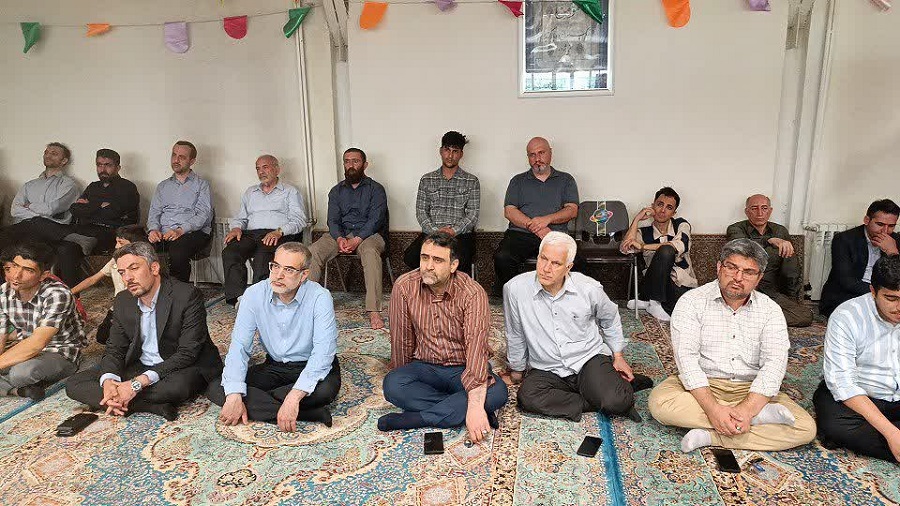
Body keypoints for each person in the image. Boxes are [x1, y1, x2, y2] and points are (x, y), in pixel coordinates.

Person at [648, 239, 816, 453]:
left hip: (750, 388)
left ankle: (712, 435)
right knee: (659, 404)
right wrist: (713, 409)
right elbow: (687, 361)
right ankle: (758, 420)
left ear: (759, 278)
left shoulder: (770, 310)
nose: (738, 277)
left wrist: (748, 409)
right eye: (732, 267)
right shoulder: (691, 302)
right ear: (719, 267)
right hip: (703, 386)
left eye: (748, 272)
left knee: (805, 428)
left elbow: (774, 365)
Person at [504, 232, 652, 422]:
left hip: (587, 359)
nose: (546, 268)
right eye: (543, 259)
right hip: (547, 367)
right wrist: (517, 371)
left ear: (569, 267)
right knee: (527, 397)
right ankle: (598, 394)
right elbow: (515, 333)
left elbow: (609, 318)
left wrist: (618, 356)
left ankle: (609, 389)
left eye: (556, 263)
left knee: (617, 402)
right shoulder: (515, 289)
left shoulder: (589, 288)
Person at [65, 242, 223, 421]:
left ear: (154, 268)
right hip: (141, 365)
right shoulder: (123, 300)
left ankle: (124, 399)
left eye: (134, 268)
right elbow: (115, 348)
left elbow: (188, 353)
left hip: (180, 365)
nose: (128, 278)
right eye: (122, 272)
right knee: (74, 384)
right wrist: (109, 381)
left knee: (176, 388)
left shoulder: (186, 295)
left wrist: (136, 384)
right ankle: (148, 405)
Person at [379, 231, 508, 443]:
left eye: (438, 260)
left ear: (453, 265)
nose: (428, 266)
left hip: (463, 368)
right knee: (393, 385)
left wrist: (475, 405)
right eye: (424, 258)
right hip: (425, 366)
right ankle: (462, 408)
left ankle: (419, 418)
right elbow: (402, 340)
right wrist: (403, 376)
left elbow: (476, 348)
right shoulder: (404, 286)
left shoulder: (472, 293)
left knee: (499, 392)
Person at [208, 242, 339, 431]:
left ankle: (274, 402)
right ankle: (308, 414)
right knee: (218, 388)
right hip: (275, 367)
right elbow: (239, 347)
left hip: (310, 365)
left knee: (324, 392)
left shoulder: (320, 297)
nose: (278, 275)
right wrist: (235, 395)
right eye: (275, 266)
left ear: (304, 275)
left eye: (288, 270)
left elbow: (323, 353)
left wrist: (294, 396)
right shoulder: (254, 294)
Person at [814, 255, 900, 462]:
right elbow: (843, 383)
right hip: (860, 400)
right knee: (835, 423)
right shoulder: (847, 316)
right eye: (891, 299)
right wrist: (890, 431)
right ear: (873, 291)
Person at [307, 148, 388, 329]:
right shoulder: (336, 191)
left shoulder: (376, 189)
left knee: (370, 252)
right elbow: (332, 220)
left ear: (365, 165)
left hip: (369, 235)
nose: (350, 165)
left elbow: (376, 220)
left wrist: (357, 239)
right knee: (313, 251)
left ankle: (374, 310)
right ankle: (306, 306)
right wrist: (339, 238)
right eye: (347, 161)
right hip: (341, 234)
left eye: (355, 161)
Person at [493, 137, 578, 295]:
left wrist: (547, 220)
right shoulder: (517, 181)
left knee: (578, 262)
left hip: (556, 235)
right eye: (532, 155)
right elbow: (509, 211)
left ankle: (560, 298)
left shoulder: (566, 180)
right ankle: (519, 297)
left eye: (541, 153)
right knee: (502, 258)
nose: (537, 159)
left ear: (550, 153)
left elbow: (572, 210)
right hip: (521, 234)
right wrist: (536, 228)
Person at [0, 243, 85, 401]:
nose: (16, 275)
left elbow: (38, 343)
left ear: (43, 275)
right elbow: (1, 334)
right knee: (13, 369)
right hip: (25, 349)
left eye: (28, 270)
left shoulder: (57, 294)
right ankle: (18, 391)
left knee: (20, 374)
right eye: (15, 266)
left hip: (59, 352)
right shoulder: (5, 291)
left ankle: (12, 386)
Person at [222, 155, 307, 305]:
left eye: (265, 167)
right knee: (231, 252)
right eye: (258, 168)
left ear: (277, 169)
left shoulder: (290, 191)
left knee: (263, 254)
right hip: (251, 234)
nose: (261, 172)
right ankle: (238, 299)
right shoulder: (250, 192)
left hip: (278, 234)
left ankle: (260, 299)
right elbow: (240, 217)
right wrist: (235, 227)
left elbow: (299, 220)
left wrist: (279, 231)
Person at [56, 148, 141, 287]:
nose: (103, 169)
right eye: (99, 165)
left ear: (118, 167)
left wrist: (89, 206)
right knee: (65, 248)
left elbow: (114, 213)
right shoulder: (93, 187)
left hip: (110, 232)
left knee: (71, 237)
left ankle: (82, 239)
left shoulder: (127, 187)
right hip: (86, 232)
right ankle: (71, 294)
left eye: (108, 165)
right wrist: (101, 205)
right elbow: (75, 209)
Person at [726, 194, 812, 327]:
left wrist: (791, 300)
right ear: (747, 212)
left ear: (770, 211)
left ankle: (753, 317)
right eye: (754, 208)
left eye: (764, 208)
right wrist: (770, 240)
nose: (760, 213)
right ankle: (757, 316)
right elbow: (744, 248)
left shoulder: (780, 231)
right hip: (743, 288)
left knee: (804, 317)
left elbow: (790, 266)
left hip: (770, 292)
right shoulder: (735, 228)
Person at [403, 131, 479, 275]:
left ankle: (454, 288)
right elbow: (421, 212)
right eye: (447, 150)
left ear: (461, 154)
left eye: (455, 151)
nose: (450, 156)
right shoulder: (427, 179)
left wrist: (453, 231)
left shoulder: (471, 181)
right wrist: (435, 231)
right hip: (431, 234)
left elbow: (472, 215)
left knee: (460, 261)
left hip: (459, 236)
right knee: (411, 257)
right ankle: (428, 286)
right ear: (441, 151)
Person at [619, 187, 698, 322]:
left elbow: (680, 244)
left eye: (669, 207)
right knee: (664, 252)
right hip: (651, 281)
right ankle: (655, 303)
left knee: (667, 250)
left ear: (674, 212)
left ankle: (647, 301)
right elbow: (625, 249)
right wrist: (637, 219)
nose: (662, 210)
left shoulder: (681, 224)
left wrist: (643, 247)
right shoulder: (643, 232)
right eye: (660, 204)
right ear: (652, 206)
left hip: (679, 282)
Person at [0, 143, 81, 272]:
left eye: (54, 153)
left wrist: (30, 206)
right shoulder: (29, 185)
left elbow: (52, 208)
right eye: (46, 152)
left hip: (53, 229)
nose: (48, 155)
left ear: (64, 161)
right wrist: (39, 214)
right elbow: (15, 210)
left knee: (32, 230)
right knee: (7, 238)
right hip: (26, 227)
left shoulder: (68, 184)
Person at [146, 141, 214, 283]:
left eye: (182, 157)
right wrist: (153, 230)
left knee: (178, 251)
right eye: (174, 155)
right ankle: (149, 289)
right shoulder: (163, 186)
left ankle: (178, 291)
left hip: (192, 233)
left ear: (192, 161)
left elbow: (203, 215)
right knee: (138, 247)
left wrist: (180, 230)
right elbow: (154, 212)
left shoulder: (202, 185)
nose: (176, 160)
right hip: (163, 233)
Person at [819, 199, 900, 317]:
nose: (885, 231)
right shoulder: (844, 239)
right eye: (880, 224)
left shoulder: (895, 241)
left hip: (885, 294)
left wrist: (893, 253)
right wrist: (880, 294)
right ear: (867, 220)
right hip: (848, 294)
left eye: (891, 226)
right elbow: (847, 281)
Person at [70, 225, 148, 344]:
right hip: (118, 307)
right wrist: (69, 292)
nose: (116, 246)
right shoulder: (115, 260)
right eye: (116, 242)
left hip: (135, 309)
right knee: (102, 337)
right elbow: (93, 279)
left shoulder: (143, 265)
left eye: (121, 243)